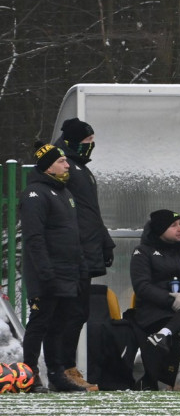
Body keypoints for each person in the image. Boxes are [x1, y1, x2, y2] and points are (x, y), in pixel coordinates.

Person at [19, 144, 89, 392]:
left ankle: (56, 374)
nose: (67, 164)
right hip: (46, 274)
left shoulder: (65, 194)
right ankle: (29, 376)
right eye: (61, 161)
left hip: (68, 273)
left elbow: (73, 235)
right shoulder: (35, 195)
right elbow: (34, 238)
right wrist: (45, 272)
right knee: (40, 323)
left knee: (60, 325)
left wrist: (80, 268)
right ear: (48, 165)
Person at [59, 118, 116, 392]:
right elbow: (68, 214)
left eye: (92, 142)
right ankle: (63, 369)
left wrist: (105, 242)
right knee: (69, 313)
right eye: (87, 142)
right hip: (74, 253)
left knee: (79, 312)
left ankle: (67, 368)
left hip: (87, 251)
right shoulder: (64, 167)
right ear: (72, 142)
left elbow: (90, 211)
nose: (91, 147)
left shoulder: (81, 168)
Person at [130, 210, 180, 391]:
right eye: (174, 225)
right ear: (160, 229)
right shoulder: (142, 251)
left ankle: (163, 335)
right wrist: (170, 300)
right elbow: (141, 286)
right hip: (154, 311)